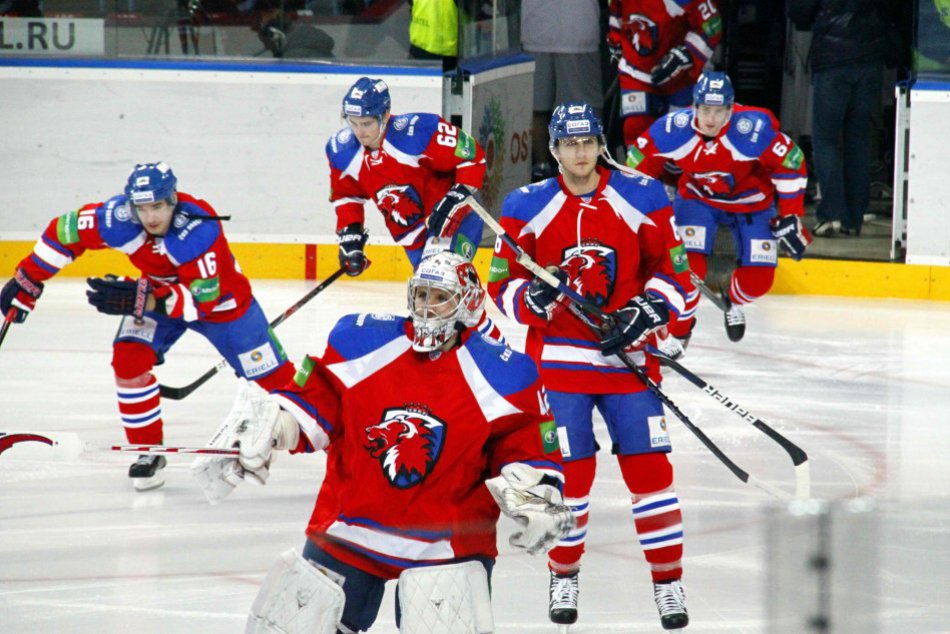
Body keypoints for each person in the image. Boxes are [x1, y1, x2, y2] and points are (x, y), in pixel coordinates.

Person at [193, 252, 574, 633]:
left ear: (469, 304)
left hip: (444, 546)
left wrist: (535, 491)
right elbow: (319, 402)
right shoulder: (362, 341)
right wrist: (273, 426)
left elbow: (526, 444)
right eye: (421, 294)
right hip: (350, 528)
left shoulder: (503, 372)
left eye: (440, 297)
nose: (427, 307)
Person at [486, 102, 694, 630]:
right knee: (569, 482)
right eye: (568, 143)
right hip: (557, 368)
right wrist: (529, 299)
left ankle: (668, 584)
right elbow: (500, 285)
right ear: (553, 149)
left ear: (601, 144)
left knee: (652, 478)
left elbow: (677, 276)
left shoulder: (642, 195)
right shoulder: (523, 205)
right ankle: (564, 573)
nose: (579, 153)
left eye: (587, 142)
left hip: (629, 364)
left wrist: (648, 310)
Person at [0, 162, 296, 491]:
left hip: (225, 307)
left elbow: (203, 303)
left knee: (282, 386)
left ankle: (343, 438)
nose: (150, 216)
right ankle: (147, 451)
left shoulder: (197, 229)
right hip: (158, 297)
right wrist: (27, 278)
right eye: (142, 208)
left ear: (172, 201)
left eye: (157, 206)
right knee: (128, 359)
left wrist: (146, 300)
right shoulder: (117, 219)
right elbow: (64, 233)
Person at [625, 71, 811, 344]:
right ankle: (679, 332)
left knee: (759, 281)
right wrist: (637, 211)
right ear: (694, 107)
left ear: (731, 109)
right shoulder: (673, 129)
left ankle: (732, 301)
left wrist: (791, 214)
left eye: (720, 111)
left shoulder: (751, 129)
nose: (711, 119)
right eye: (705, 110)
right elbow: (637, 166)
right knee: (687, 270)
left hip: (753, 205)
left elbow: (791, 161)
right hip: (698, 199)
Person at [326, 76, 488, 275]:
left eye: (366, 123)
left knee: (443, 287)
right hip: (411, 236)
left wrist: (457, 198)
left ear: (385, 115)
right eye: (353, 122)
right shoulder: (342, 151)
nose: (359, 132)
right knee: (428, 298)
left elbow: (471, 155)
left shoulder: (417, 132)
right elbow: (347, 195)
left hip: (453, 219)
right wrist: (350, 233)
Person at [787, 0, 900, 238]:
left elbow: (799, 11)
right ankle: (853, 219)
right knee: (858, 142)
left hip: (832, 61)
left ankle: (830, 215)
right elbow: (895, 9)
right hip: (870, 60)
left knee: (826, 141)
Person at [607, 0, 722, 153]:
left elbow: (712, 27)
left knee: (681, 138)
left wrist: (686, 55)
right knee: (636, 133)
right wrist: (615, 41)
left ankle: (674, 175)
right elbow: (616, 11)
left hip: (680, 78)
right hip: (635, 72)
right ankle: (638, 175)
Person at [521, 0, 604, 182]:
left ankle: (544, 168)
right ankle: (569, 169)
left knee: (539, 108)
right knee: (542, 108)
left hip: (548, 29)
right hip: (574, 30)